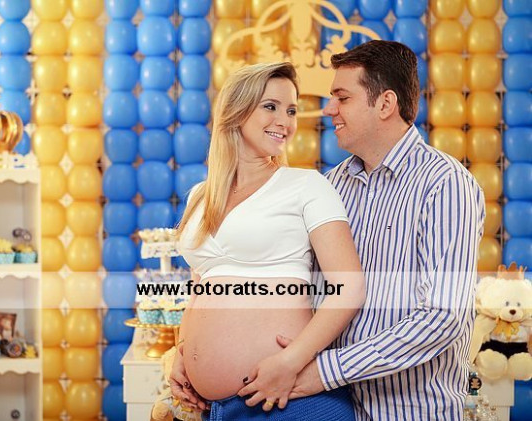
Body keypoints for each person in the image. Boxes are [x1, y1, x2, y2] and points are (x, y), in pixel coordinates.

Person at [240, 40, 486, 419]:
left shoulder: (445, 184)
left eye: (342, 98)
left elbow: (442, 317)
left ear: (385, 104)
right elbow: (298, 286)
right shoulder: (331, 184)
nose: (329, 109)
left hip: (409, 411)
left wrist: (326, 371)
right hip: (329, 407)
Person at [170, 62, 366, 420]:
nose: (285, 122)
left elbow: (349, 288)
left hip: (288, 400)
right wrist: (182, 351)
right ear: (236, 110)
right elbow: (201, 284)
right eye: (271, 106)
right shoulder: (200, 196)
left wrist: (291, 361)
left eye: (291, 111)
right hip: (218, 408)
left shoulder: (306, 186)